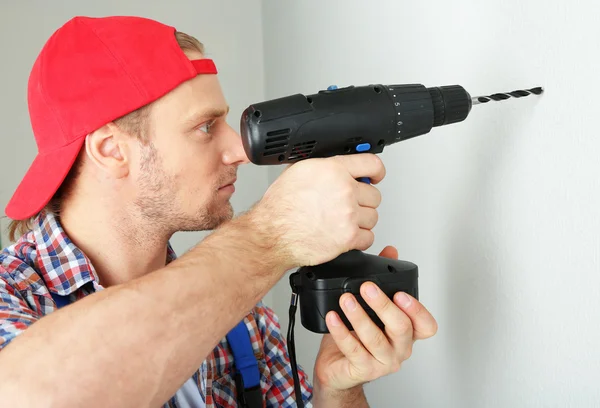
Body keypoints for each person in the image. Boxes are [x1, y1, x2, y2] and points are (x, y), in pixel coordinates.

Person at [0, 15, 438, 408]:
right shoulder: (12, 297)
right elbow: (33, 394)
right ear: (112, 150)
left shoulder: (241, 320)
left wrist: (338, 391)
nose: (238, 150)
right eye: (205, 127)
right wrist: (270, 235)